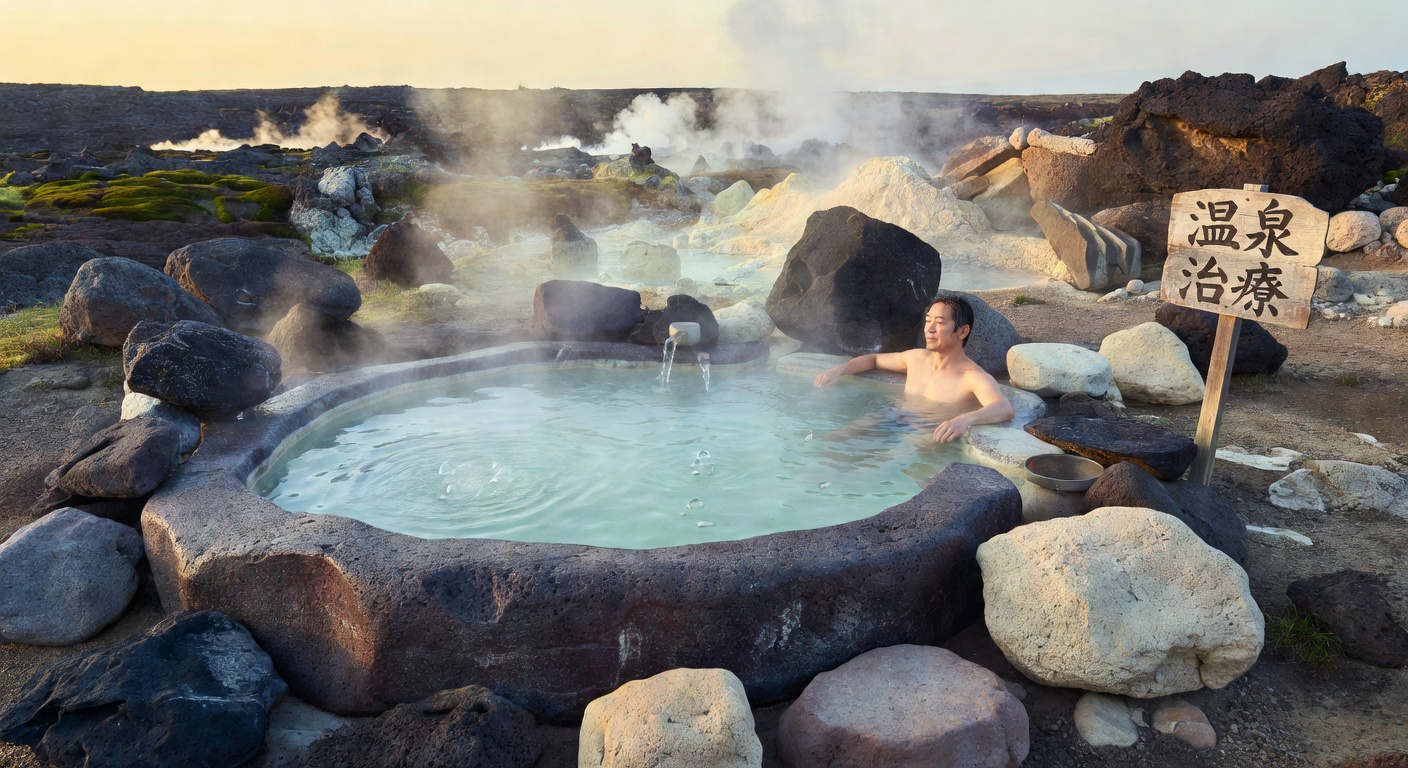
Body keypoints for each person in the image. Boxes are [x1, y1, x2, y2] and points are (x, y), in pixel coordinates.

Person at [813, 297, 1014, 442]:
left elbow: (1004, 408)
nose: (929, 329)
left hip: (926, 433)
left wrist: (965, 419)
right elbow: (873, 359)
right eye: (928, 321)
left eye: (939, 322)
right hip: (893, 415)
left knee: (878, 466)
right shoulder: (916, 359)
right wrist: (839, 370)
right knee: (835, 439)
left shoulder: (972, 377)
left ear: (962, 331)